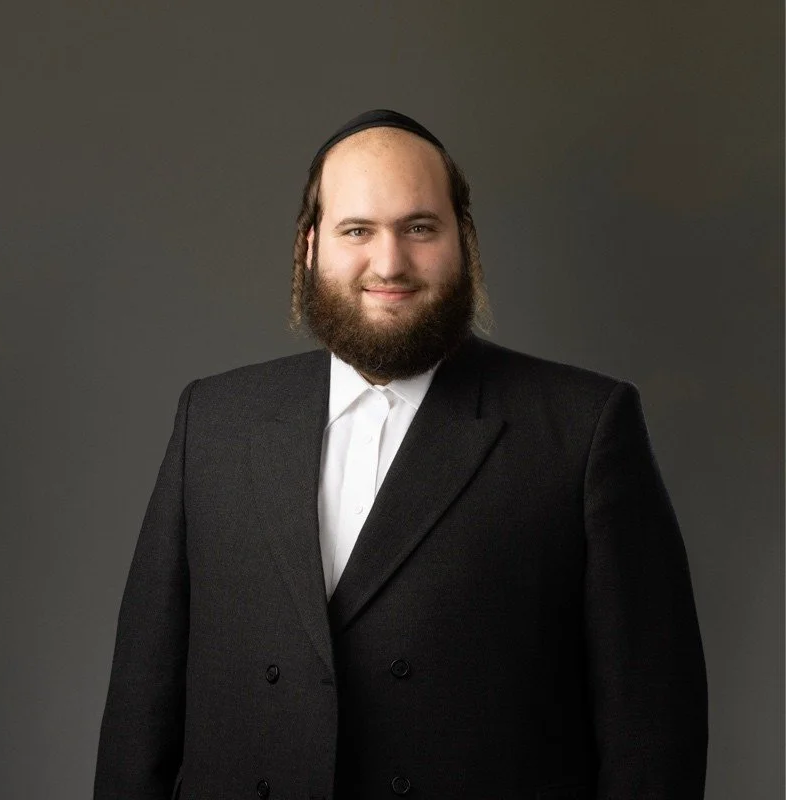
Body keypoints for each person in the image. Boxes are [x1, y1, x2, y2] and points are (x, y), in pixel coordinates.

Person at [93, 110, 708, 800]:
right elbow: (140, 714)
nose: (389, 264)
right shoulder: (214, 420)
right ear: (309, 246)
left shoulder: (584, 428)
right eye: (357, 230)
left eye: (419, 228)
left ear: (463, 240)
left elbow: (654, 734)